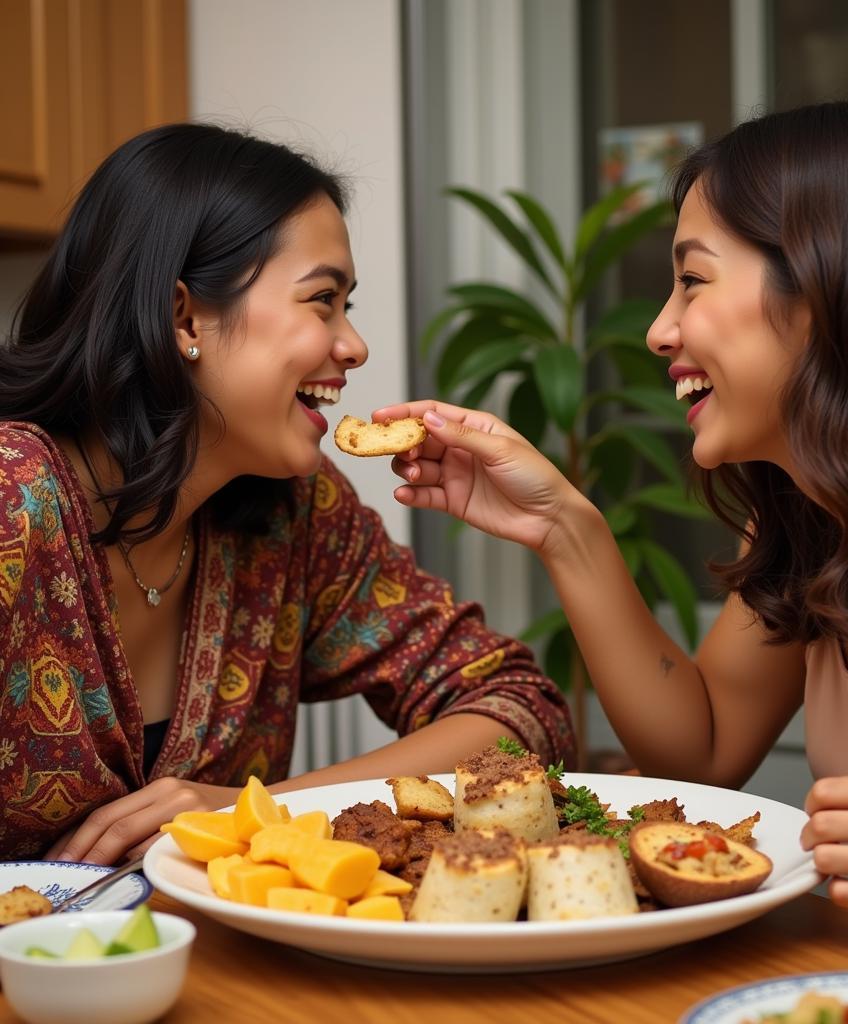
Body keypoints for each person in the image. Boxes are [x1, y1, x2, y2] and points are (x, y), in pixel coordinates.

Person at [376, 91, 848, 954]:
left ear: (834, 285)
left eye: (692, 279)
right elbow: (705, 748)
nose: (658, 329)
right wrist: (565, 526)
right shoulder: (817, 520)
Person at [0, 123, 574, 866]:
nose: (354, 346)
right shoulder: (13, 500)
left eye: (349, 304)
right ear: (185, 318)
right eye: (323, 300)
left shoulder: (295, 512)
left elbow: (521, 707)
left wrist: (270, 812)